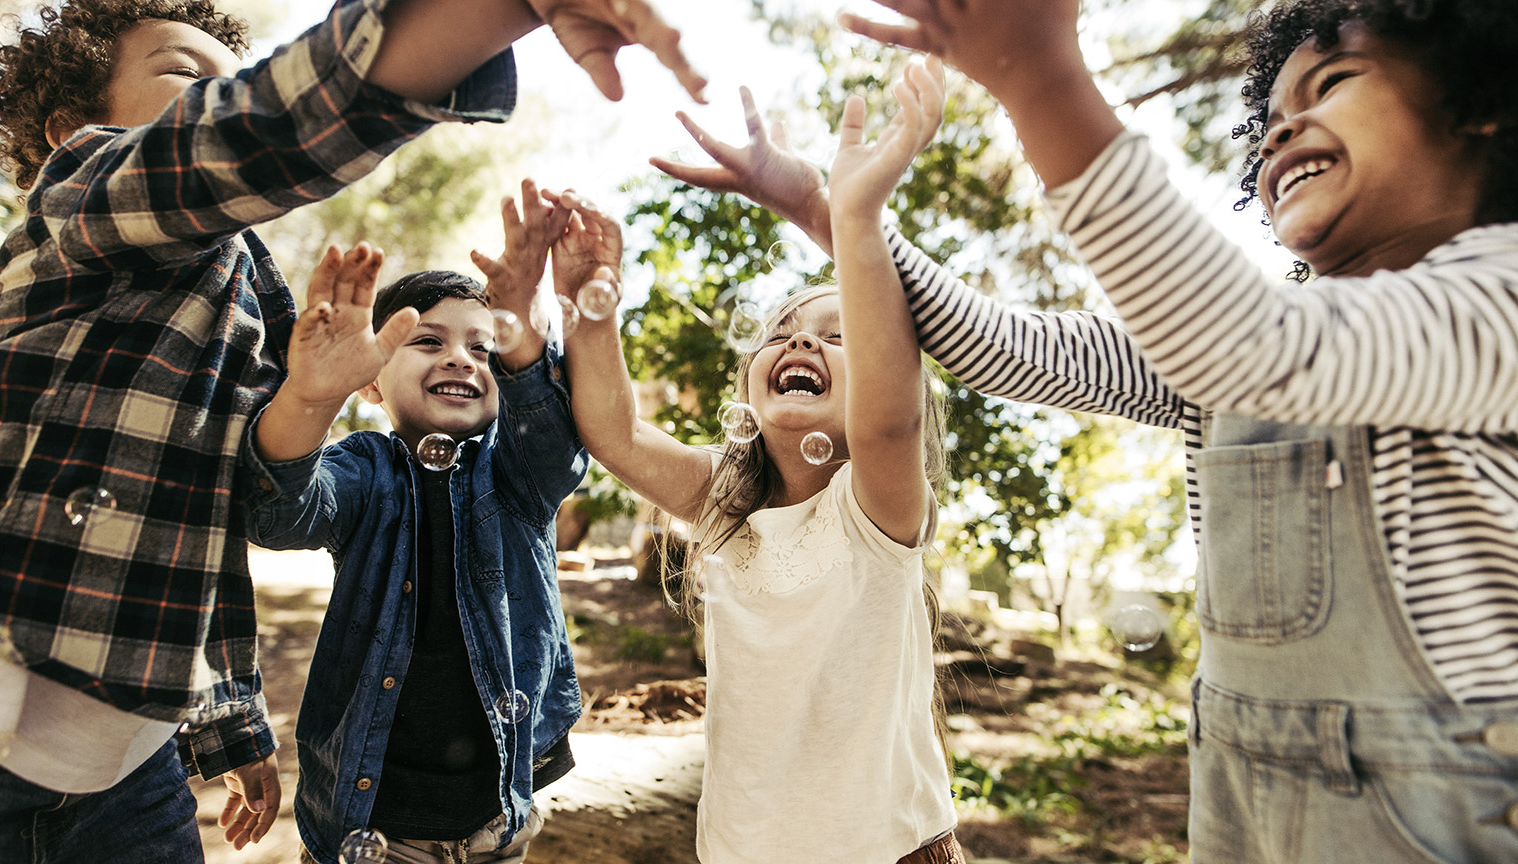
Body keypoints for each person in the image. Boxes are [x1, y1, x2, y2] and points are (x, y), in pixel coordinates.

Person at [660, 0, 1518, 861]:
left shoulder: (1499, 297)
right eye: (1272, 119)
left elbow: (1260, 346)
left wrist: (1041, 79)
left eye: (1329, 85)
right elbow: (1008, 348)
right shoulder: (1228, 345)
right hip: (1243, 797)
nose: (1281, 133)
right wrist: (833, 211)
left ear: (1480, 105)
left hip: (1441, 806)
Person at [0, 0, 703, 859]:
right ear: (74, 124)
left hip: (131, 767)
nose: (224, 92)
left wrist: (235, 726)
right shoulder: (80, 198)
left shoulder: (251, 294)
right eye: (187, 74)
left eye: (233, 76)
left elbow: (204, 525)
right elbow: (250, 136)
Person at [559, 58, 964, 864]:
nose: (801, 339)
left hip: (885, 850)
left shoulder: (875, 508)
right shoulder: (725, 503)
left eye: (841, 334)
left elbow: (890, 421)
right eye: (780, 331)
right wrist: (589, 307)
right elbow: (615, 434)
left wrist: (852, 216)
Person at [241, 179, 586, 864]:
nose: (461, 357)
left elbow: (556, 445)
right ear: (370, 381)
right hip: (369, 822)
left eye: (485, 349)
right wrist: (309, 397)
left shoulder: (516, 474)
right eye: (428, 341)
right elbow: (280, 513)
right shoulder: (365, 469)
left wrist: (521, 319)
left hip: (495, 825)